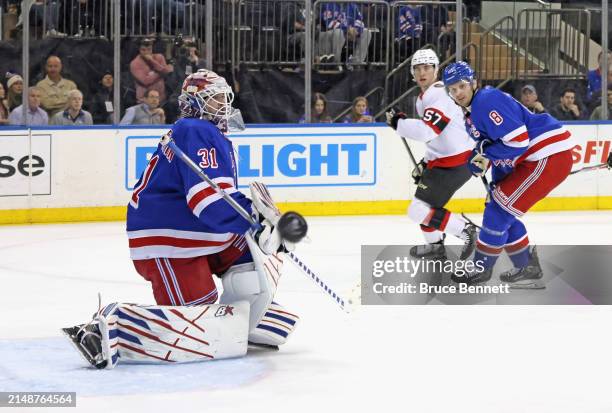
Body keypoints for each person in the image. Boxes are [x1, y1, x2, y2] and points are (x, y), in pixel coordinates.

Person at [62, 69, 299, 369]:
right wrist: (255, 220)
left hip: (196, 230)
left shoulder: (206, 134)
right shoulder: (196, 129)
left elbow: (217, 200)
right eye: (214, 100)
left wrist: (260, 223)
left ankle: (246, 319)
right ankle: (113, 326)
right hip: (169, 238)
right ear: (195, 103)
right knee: (197, 327)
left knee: (252, 258)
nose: (223, 106)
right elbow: (209, 202)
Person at [442, 61, 575, 285]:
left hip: (546, 156)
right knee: (500, 204)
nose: (457, 93)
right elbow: (495, 145)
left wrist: (484, 154)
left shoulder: (487, 100)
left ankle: (481, 268)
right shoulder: (470, 114)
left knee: (498, 210)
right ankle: (526, 265)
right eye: (452, 89)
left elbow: (518, 141)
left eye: (461, 86)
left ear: (473, 83)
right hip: (532, 159)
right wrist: (483, 159)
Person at [385, 49, 477, 259]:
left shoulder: (439, 93)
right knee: (427, 207)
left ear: (436, 70)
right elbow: (437, 137)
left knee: (417, 210)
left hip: (456, 163)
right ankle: (435, 247)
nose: (421, 72)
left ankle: (467, 231)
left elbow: (428, 130)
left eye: (427, 67)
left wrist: (399, 123)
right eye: (417, 68)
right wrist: (426, 162)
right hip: (445, 161)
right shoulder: (424, 98)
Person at [318, 2, 372, 67]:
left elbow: (360, 21)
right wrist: (347, 29)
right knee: (339, 33)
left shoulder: (353, 6)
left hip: (348, 34)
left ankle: (355, 63)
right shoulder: (328, 4)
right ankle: (335, 63)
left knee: (367, 32)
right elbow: (329, 23)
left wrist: (356, 30)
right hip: (330, 33)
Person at [129, 38, 173, 103]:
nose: (146, 52)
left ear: (152, 49)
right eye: (143, 50)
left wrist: (152, 61)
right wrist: (161, 73)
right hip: (144, 100)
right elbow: (145, 81)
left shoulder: (159, 57)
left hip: (161, 99)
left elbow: (166, 73)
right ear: (139, 50)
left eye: (149, 49)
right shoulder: (134, 63)